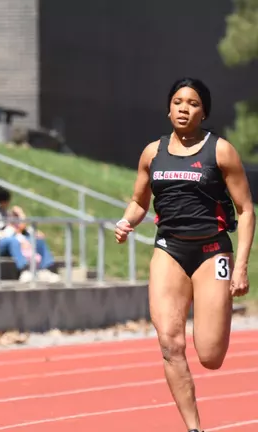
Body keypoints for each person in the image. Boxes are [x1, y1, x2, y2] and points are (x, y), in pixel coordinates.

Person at [115, 77, 254, 432]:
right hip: (169, 248)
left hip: (212, 251)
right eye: (178, 101)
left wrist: (241, 267)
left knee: (210, 357)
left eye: (192, 103)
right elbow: (138, 201)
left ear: (203, 111)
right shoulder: (152, 153)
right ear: (168, 108)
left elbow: (246, 209)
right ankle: (194, 428)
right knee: (169, 344)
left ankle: (216, 313)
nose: (183, 108)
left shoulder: (220, 151)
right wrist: (127, 221)